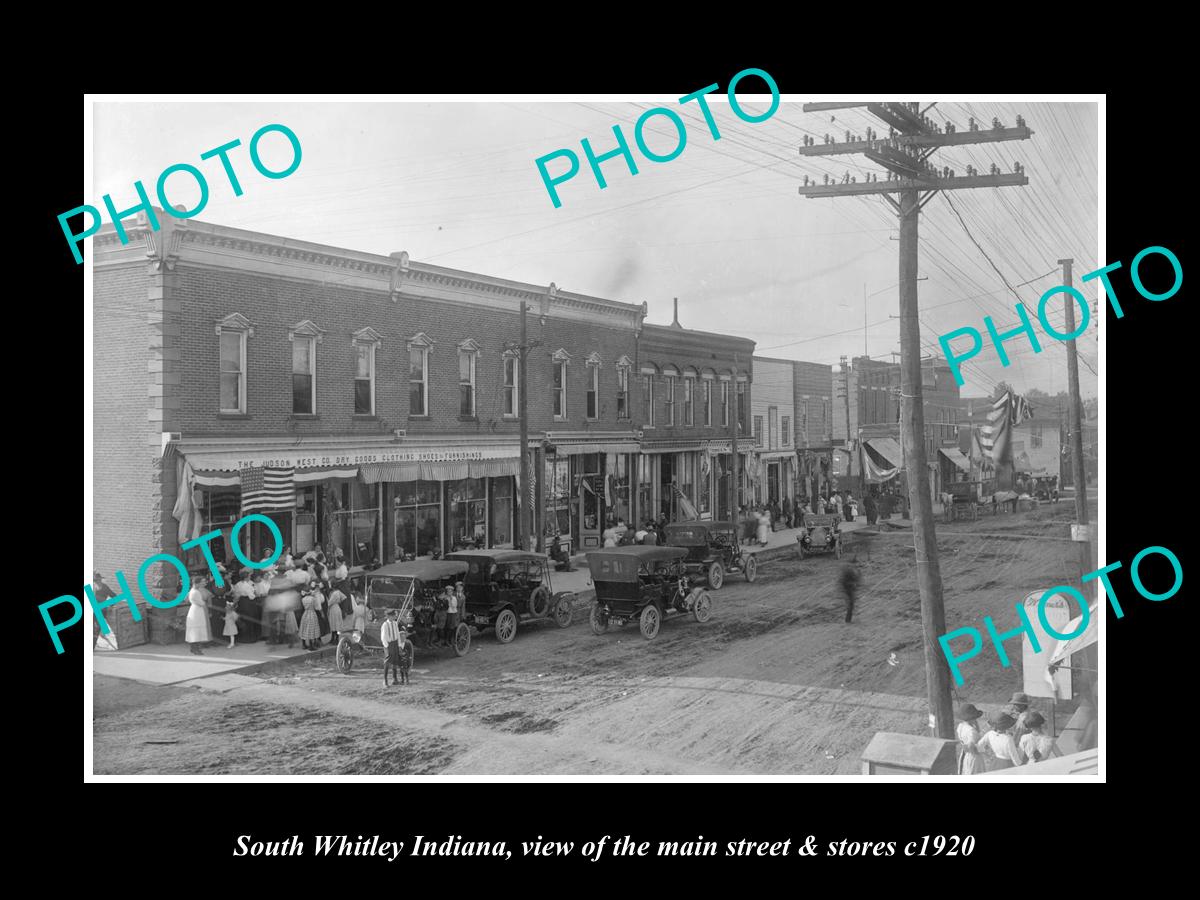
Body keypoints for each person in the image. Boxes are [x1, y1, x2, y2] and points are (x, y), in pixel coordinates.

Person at [955, 703, 987, 775]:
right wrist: (980, 750)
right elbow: (971, 746)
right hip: (974, 756)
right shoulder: (971, 731)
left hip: (965, 755)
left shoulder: (961, 726)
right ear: (973, 717)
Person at [184, 573, 212, 655]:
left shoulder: (193, 591)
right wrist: (205, 603)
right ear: (197, 583)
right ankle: (195, 648)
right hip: (197, 611)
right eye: (202, 582)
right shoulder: (195, 592)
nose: (204, 583)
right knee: (196, 630)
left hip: (196, 610)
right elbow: (201, 603)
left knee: (196, 630)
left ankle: (194, 648)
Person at [91, 572, 117, 649]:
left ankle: (92, 646)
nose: (96, 582)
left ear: (100, 580)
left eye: (97, 580)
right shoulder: (92, 588)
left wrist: (110, 605)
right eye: (94, 581)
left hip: (101, 611)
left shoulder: (105, 587)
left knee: (97, 629)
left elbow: (114, 596)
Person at [381, 609, 402, 686]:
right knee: (387, 662)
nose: (394, 617)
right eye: (393, 615)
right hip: (389, 644)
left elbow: (397, 634)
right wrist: (386, 646)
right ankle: (385, 680)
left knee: (395, 661)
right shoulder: (385, 625)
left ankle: (394, 679)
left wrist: (399, 645)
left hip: (395, 643)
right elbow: (383, 637)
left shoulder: (395, 623)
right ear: (389, 616)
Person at [298, 586, 322, 651]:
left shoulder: (303, 599)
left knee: (304, 628)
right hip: (312, 613)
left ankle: (304, 644)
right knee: (311, 628)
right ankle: (311, 645)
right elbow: (317, 607)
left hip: (305, 614)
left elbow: (302, 607)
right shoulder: (313, 599)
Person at [445, 582, 463, 646]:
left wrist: (450, 601)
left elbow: (454, 606)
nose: (449, 593)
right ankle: (447, 640)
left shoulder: (454, 598)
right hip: (448, 613)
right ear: (447, 592)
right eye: (448, 592)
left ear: (452, 592)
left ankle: (452, 639)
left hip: (454, 613)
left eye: (450, 591)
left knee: (453, 627)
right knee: (448, 627)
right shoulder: (446, 598)